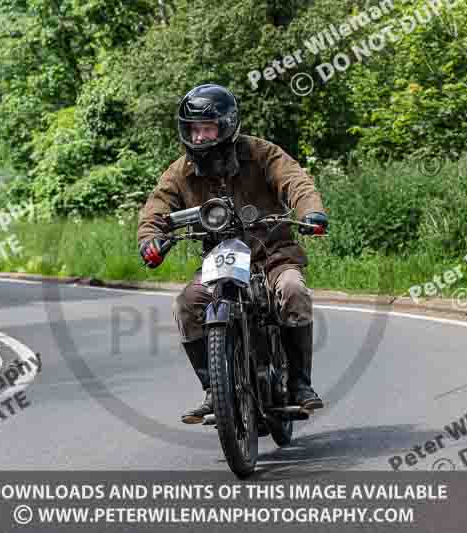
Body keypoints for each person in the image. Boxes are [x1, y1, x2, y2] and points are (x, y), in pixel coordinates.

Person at [137, 83, 329, 424]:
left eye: (207, 128)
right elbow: (157, 207)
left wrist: (310, 212)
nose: (199, 137)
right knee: (186, 305)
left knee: (293, 291)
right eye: (193, 129)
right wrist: (151, 238)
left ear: (226, 126)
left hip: (273, 253)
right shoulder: (180, 170)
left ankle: (300, 383)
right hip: (221, 258)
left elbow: (296, 181)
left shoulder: (260, 153)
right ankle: (214, 390)